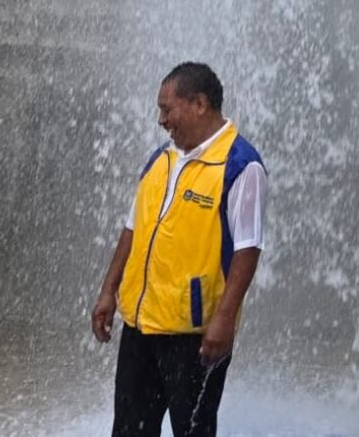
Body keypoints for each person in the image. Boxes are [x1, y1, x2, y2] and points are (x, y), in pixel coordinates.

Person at [90, 63, 267, 437]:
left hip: (194, 335)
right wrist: (109, 290)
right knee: (129, 430)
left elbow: (248, 250)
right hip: (141, 325)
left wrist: (224, 319)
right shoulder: (161, 160)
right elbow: (132, 229)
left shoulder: (240, 165)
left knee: (192, 431)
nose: (161, 120)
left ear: (199, 104)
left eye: (167, 109)